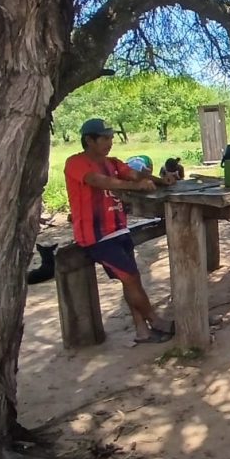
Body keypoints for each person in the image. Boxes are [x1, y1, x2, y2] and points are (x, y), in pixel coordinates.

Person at [64, 119, 175, 344]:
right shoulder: (76, 163)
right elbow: (100, 182)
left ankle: (141, 331)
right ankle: (156, 321)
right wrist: (137, 186)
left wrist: (160, 181)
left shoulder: (113, 162)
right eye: (104, 138)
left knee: (131, 281)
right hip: (97, 236)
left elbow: (133, 175)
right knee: (131, 278)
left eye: (111, 138)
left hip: (118, 229)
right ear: (89, 140)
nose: (110, 142)